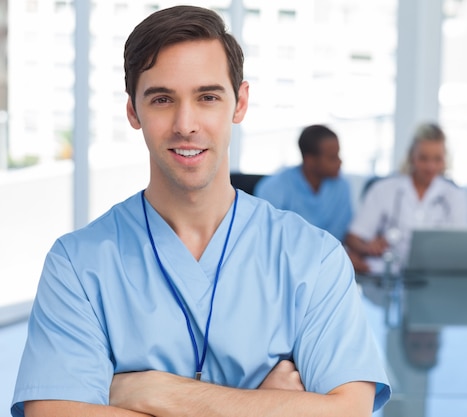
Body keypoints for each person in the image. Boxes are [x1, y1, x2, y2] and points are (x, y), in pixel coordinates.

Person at [11, 6, 390, 417]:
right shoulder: (77, 265)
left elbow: (349, 411)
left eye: (207, 97)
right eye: (161, 99)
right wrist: (265, 405)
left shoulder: (313, 258)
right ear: (133, 111)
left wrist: (156, 392)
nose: (185, 124)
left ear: (239, 103)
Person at [345, 122, 467, 274]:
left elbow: (461, 247)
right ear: (411, 157)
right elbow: (353, 237)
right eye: (423, 158)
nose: (430, 167)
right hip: (387, 273)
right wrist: (367, 248)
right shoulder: (384, 189)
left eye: (437, 159)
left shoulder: (454, 195)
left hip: (435, 275)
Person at [254, 124, 352, 242]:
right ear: (310, 160)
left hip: (330, 256)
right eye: (332, 157)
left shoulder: (341, 186)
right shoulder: (274, 187)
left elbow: (340, 233)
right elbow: (268, 235)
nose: (339, 162)